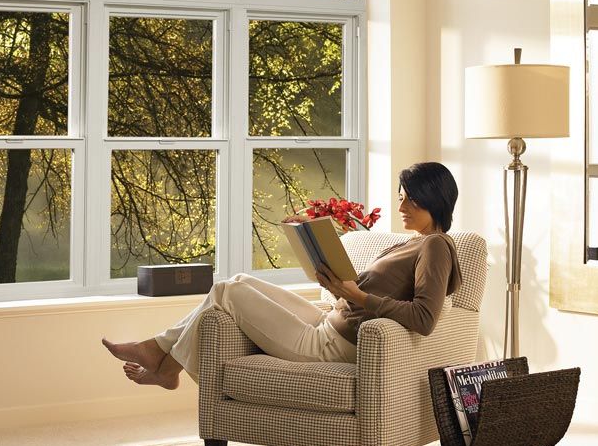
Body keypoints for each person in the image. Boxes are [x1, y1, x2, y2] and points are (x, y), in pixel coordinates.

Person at [102, 161, 462, 390]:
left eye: (411, 200)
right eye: (400, 197)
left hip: (334, 348)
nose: (401, 207)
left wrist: (356, 296)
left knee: (227, 290)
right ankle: (163, 361)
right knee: (239, 280)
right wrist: (336, 286)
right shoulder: (414, 242)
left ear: (436, 200)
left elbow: (424, 318)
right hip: (329, 322)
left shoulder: (435, 247)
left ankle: (162, 360)